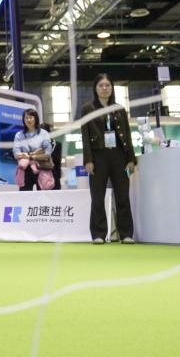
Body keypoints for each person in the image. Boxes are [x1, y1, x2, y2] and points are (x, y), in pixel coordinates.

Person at [80, 73, 137, 244]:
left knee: (123, 195)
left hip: (119, 155)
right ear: (95, 88)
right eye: (101, 85)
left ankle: (126, 234)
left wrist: (131, 158)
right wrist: (88, 160)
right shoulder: (88, 109)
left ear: (112, 88)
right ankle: (98, 234)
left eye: (107, 85)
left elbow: (127, 135)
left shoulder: (119, 109)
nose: (104, 88)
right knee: (97, 196)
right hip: (98, 156)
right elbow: (85, 136)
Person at [13, 109, 54, 191]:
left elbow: (47, 152)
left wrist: (30, 156)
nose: (28, 120)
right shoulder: (19, 135)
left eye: (31, 117)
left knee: (43, 195)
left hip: (41, 167)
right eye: (26, 118)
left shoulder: (43, 133)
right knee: (25, 195)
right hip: (25, 169)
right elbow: (16, 152)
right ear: (23, 120)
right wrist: (20, 155)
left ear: (36, 118)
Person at [41, 122, 63, 190]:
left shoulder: (57, 144)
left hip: (50, 174)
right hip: (47, 174)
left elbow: (58, 162)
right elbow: (58, 162)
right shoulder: (37, 145)